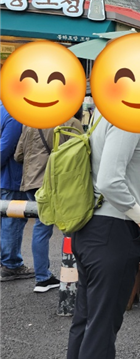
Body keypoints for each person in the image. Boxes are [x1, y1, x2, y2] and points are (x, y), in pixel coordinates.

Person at [64, 115, 140, 359]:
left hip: (91, 227)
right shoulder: (129, 118)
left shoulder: (103, 114)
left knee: (86, 317)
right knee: (102, 323)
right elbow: (109, 180)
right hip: (114, 230)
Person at [13, 114, 84, 291]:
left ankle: (42, 277)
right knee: (71, 227)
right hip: (57, 183)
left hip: (31, 182)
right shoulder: (71, 123)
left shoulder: (30, 122)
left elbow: (18, 155)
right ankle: (72, 275)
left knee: (41, 227)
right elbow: (81, 155)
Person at [0, 99, 35, 283]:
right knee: (12, 222)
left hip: (4, 177)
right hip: (12, 177)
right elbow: (5, 148)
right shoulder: (15, 115)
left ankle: (5, 262)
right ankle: (11, 265)